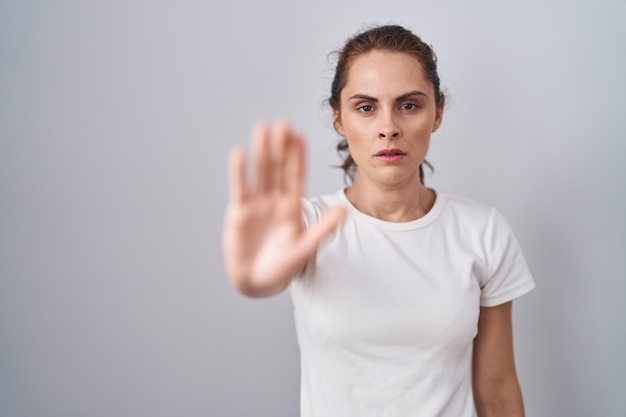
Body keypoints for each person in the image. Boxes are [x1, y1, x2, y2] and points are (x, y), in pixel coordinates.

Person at [223, 24, 535, 417]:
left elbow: (499, 392)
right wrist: (251, 278)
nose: (388, 127)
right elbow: (264, 277)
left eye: (409, 105)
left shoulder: (482, 231)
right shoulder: (306, 224)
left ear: (437, 112)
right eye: (366, 107)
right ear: (339, 117)